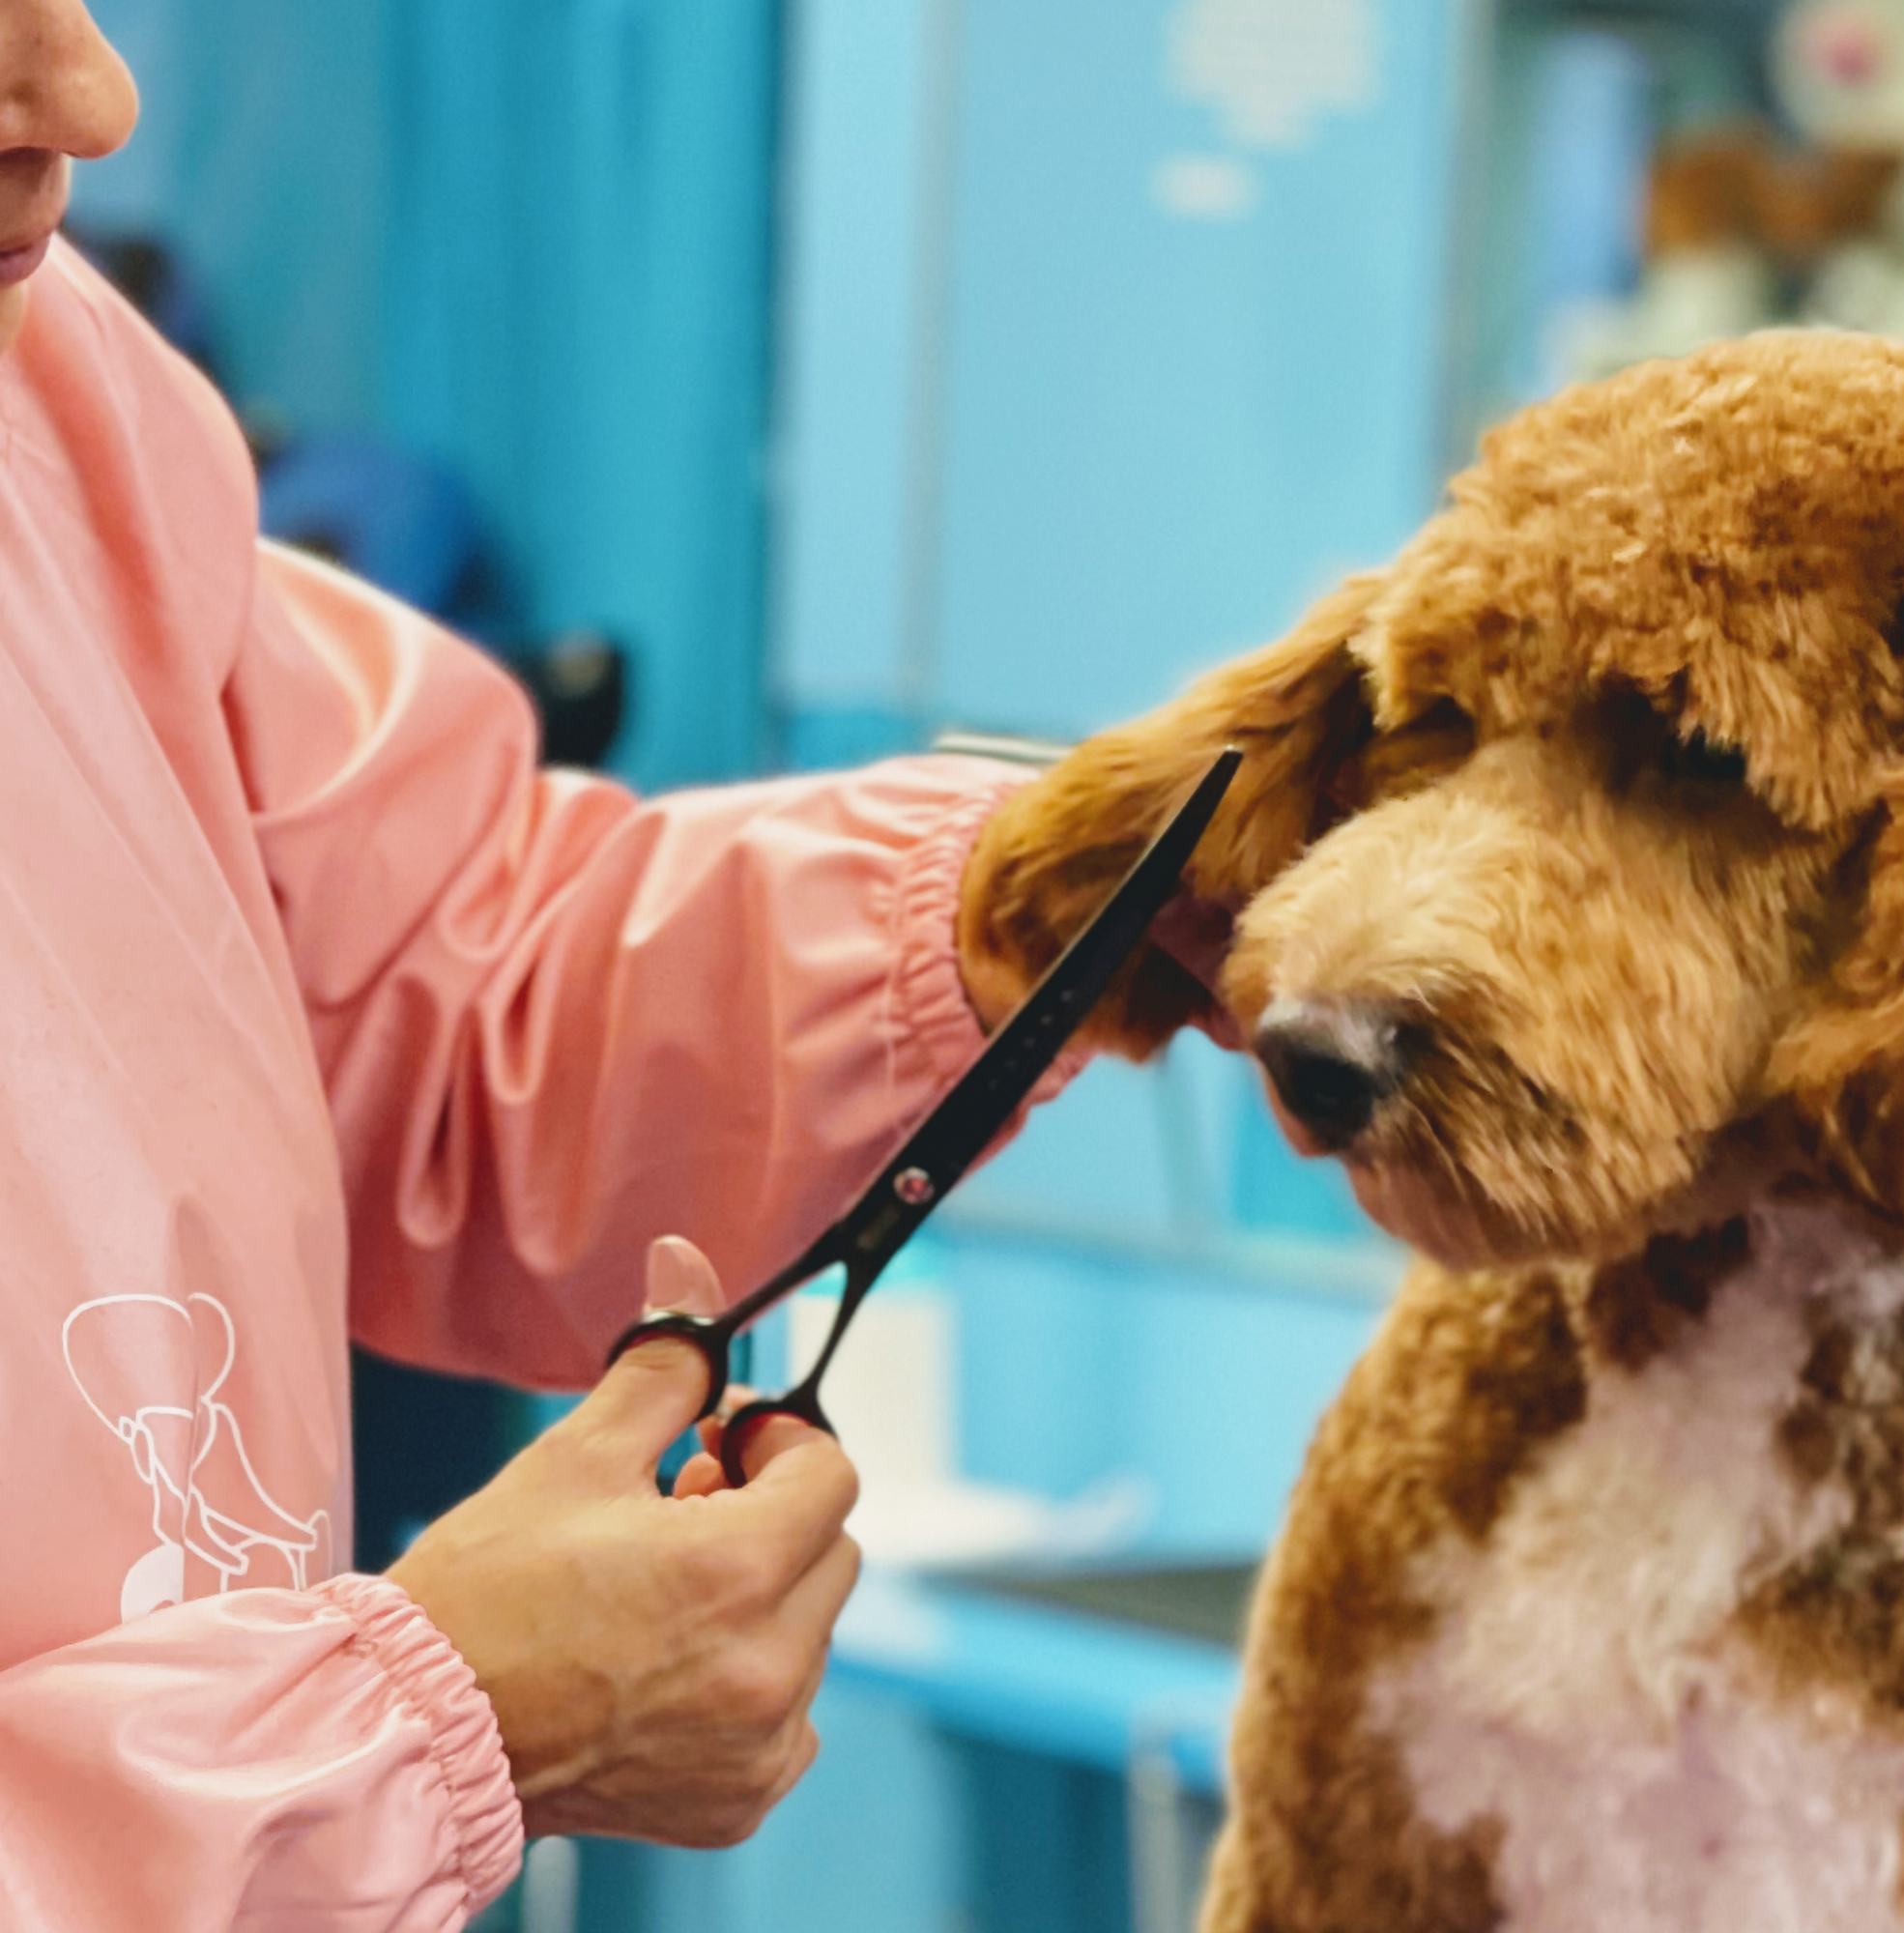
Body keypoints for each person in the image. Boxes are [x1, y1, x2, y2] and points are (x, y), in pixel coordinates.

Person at [0, 3, 1175, 1924]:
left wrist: (1048, 889)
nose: (93, 100)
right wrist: (403, 1739)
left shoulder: (54, 400)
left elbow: (440, 978)